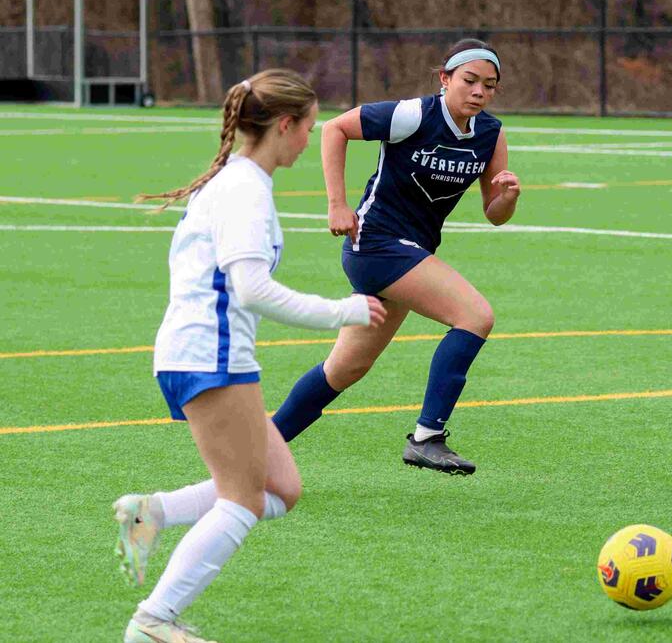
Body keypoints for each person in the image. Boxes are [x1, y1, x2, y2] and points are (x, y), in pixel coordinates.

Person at [114, 69, 386, 643]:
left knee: (280, 488)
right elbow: (251, 288)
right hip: (209, 356)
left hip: (208, 352)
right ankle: (154, 620)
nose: (311, 140)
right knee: (241, 500)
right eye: (308, 127)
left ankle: (151, 512)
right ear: (284, 125)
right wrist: (344, 310)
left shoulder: (238, 181)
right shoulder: (244, 190)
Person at [270, 38, 521, 475]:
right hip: (376, 244)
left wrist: (508, 198)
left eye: (489, 84)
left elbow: (494, 214)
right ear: (444, 79)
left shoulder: (490, 134)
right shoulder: (414, 115)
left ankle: (257, 452)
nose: (479, 91)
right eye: (469, 80)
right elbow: (335, 129)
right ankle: (427, 437)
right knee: (475, 315)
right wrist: (337, 204)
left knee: (345, 369)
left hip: (408, 254)